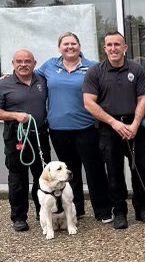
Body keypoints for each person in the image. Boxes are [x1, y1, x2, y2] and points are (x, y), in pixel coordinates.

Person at [82, 31, 145, 229]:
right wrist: (114, 123)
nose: (113, 48)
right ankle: (119, 211)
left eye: (117, 44)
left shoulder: (137, 69)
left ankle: (142, 209)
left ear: (125, 48)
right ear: (104, 48)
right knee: (114, 172)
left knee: (139, 169)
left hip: (134, 126)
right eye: (109, 45)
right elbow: (89, 103)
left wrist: (134, 125)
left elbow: (143, 99)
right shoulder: (95, 72)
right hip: (109, 128)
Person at [37, 32, 112, 223]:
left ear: (79, 46)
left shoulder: (93, 66)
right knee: (70, 173)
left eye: (73, 44)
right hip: (58, 129)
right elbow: (29, 77)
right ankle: (75, 209)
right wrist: (7, 77)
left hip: (87, 127)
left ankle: (102, 210)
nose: (70, 47)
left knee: (94, 169)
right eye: (65, 44)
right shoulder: (49, 65)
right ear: (59, 47)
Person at [0, 49, 51, 232]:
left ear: (34, 63)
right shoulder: (4, 84)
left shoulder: (42, 80)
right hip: (16, 137)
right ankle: (19, 217)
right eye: (19, 61)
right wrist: (14, 115)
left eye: (27, 61)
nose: (23, 64)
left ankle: (43, 212)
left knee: (43, 176)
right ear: (13, 63)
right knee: (18, 178)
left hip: (39, 136)